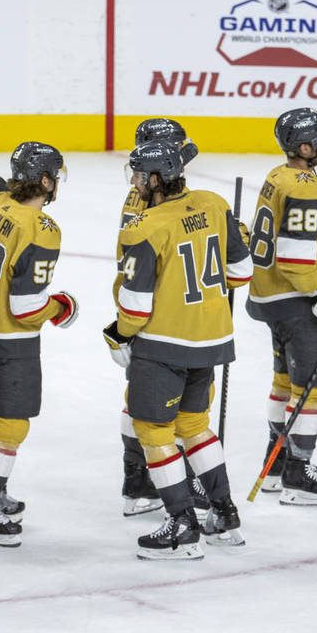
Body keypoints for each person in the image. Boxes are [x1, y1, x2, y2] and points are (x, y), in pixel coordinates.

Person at [103, 141, 252, 559]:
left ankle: (182, 525)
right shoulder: (215, 204)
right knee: (194, 426)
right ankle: (223, 515)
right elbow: (241, 273)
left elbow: (134, 306)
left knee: (153, 432)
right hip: (211, 341)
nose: (133, 183)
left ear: (155, 178)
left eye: (137, 175)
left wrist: (119, 333)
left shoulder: (145, 226)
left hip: (164, 345)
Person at [0, 141, 77, 546]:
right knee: (11, 422)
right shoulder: (42, 228)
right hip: (9, 339)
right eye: (55, 177)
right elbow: (26, 309)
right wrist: (62, 307)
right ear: (44, 180)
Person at [245, 109, 317, 506]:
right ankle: (297, 474)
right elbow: (295, 259)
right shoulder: (305, 186)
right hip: (296, 302)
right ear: (305, 147)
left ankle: (273, 465)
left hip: (268, 297)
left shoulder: (277, 175)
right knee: (313, 389)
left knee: (284, 385)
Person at [117, 119, 201, 518]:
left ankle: (139, 481)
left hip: (138, 297)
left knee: (141, 397)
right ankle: (150, 481)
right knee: (155, 401)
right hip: (153, 305)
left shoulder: (140, 194)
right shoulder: (153, 202)